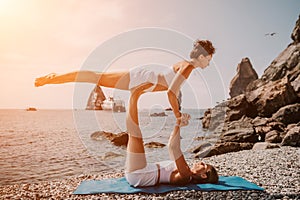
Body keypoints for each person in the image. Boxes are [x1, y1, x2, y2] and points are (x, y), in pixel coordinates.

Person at [35, 39, 215, 122]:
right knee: (96, 77)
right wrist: (178, 115)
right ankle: (54, 78)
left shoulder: (183, 63)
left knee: (96, 76)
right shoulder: (188, 67)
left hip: (142, 77)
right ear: (202, 56)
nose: (209, 63)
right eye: (209, 59)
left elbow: (169, 88)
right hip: (140, 78)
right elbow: (170, 91)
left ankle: (55, 77)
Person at [125, 112, 218, 187]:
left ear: (203, 175)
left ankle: (135, 94)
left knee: (135, 135)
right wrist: (178, 126)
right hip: (140, 172)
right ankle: (134, 94)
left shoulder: (186, 175)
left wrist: (178, 122)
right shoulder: (185, 170)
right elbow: (171, 146)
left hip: (140, 174)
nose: (200, 162)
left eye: (203, 165)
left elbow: (174, 147)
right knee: (134, 135)